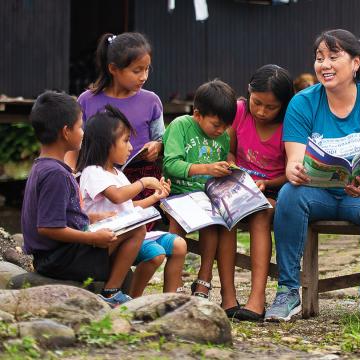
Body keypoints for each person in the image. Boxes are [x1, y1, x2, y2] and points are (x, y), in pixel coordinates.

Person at [265, 29, 360, 322]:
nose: (324, 64)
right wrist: (294, 170)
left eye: (333, 57)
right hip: (317, 193)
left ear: (355, 62)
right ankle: (288, 292)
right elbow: (294, 160)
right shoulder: (303, 103)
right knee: (289, 194)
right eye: (319, 58)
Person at [21, 91, 141, 306]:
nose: (83, 133)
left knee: (122, 225)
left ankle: (113, 287)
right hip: (58, 260)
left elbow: (60, 215)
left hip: (58, 255)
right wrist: (92, 239)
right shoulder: (55, 174)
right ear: (66, 132)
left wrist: (93, 218)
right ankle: (111, 292)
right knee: (136, 228)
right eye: (79, 127)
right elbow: (48, 228)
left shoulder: (46, 166)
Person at [76, 105, 187, 298]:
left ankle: (166, 299)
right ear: (106, 144)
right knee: (145, 239)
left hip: (127, 235)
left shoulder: (118, 173)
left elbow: (126, 207)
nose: (130, 147)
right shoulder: (93, 171)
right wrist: (143, 183)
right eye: (126, 141)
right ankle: (112, 292)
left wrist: (155, 198)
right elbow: (117, 196)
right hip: (104, 241)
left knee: (177, 246)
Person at [162, 79, 242, 318]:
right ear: (197, 114)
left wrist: (229, 167)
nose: (221, 131)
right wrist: (206, 168)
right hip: (177, 194)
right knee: (177, 224)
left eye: (226, 126)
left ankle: (203, 281)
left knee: (215, 224)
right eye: (216, 125)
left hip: (207, 197)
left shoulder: (224, 135)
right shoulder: (181, 126)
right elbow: (171, 164)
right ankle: (172, 286)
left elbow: (226, 155)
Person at [226, 64, 294, 321]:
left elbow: (292, 169)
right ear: (249, 93)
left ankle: (257, 297)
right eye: (257, 103)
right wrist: (235, 170)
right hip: (239, 183)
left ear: (283, 105)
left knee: (260, 213)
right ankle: (228, 296)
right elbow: (230, 150)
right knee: (223, 214)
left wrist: (266, 184)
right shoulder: (240, 111)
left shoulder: (289, 123)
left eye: (270, 107)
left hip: (275, 188)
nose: (262, 111)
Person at [68, 32, 164, 203]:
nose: (144, 76)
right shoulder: (87, 100)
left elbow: (161, 139)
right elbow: (75, 144)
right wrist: (70, 175)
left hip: (142, 179)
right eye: (137, 71)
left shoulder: (151, 101)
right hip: (101, 183)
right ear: (113, 69)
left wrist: (157, 146)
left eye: (147, 69)